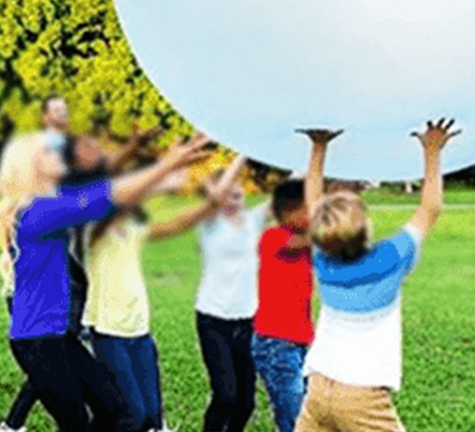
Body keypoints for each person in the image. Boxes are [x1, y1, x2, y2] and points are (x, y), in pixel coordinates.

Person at [0, 128, 211, 432]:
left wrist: (169, 170)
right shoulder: (37, 211)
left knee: (118, 413)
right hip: (38, 341)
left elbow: (107, 190)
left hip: (58, 337)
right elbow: (108, 193)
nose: (59, 154)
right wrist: (165, 166)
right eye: (48, 152)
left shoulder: (50, 202)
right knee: (79, 423)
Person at [294, 120, 460, 432]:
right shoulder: (391, 259)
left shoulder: (323, 261)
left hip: (316, 388)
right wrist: (432, 151)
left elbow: (313, 204)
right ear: (366, 229)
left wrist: (318, 149)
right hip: (361, 399)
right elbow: (430, 210)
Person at [82, 143, 237, 432]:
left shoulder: (131, 227)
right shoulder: (95, 228)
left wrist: (210, 205)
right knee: (132, 415)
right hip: (109, 333)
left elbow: (176, 223)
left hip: (140, 331)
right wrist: (167, 170)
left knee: (152, 415)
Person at [0, 94, 73, 432]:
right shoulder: (28, 200)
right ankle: (13, 425)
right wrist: (7, 252)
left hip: (52, 288)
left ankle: (14, 425)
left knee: (51, 364)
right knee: (47, 364)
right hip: (31, 295)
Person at [195, 157, 271, 432]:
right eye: (229, 194)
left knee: (246, 402)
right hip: (213, 321)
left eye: (239, 195)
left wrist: (316, 152)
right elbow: (215, 197)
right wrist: (244, 152)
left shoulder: (252, 221)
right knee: (226, 395)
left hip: (246, 322)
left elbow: (290, 193)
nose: (235, 200)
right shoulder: (209, 224)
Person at [251, 169, 324, 432]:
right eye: (308, 209)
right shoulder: (273, 239)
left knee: (307, 416)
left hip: (301, 341)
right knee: (293, 419)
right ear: (287, 212)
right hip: (276, 345)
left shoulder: (305, 243)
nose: (314, 215)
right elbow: (312, 237)